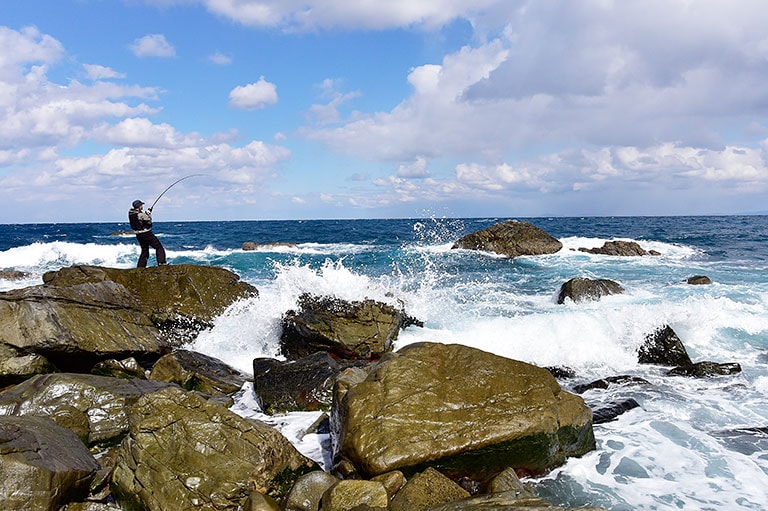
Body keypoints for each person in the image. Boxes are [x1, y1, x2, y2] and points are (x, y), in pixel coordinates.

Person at [128, 200, 167, 267]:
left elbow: (140, 217)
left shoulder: (131, 213)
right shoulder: (140, 215)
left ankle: (140, 267)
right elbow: (149, 222)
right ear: (139, 206)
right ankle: (162, 263)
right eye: (141, 205)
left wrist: (146, 213)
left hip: (138, 235)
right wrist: (148, 214)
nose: (142, 206)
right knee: (159, 247)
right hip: (146, 233)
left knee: (144, 250)